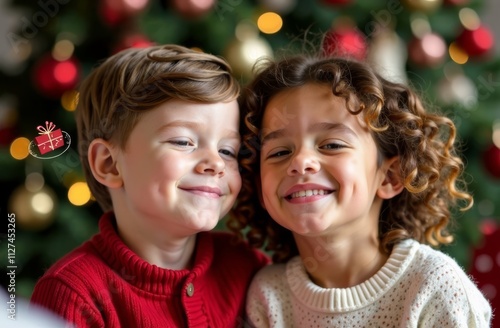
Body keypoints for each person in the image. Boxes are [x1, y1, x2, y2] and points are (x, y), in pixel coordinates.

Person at [231, 53, 492, 327]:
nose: (300, 162)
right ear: (261, 187)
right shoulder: (267, 294)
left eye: (331, 145)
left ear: (390, 177)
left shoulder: (435, 286)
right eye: (280, 151)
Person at [30, 44, 269, 327]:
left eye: (228, 151)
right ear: (109, 163)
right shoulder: (72, 294)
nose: (215, 163)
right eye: (183, 142)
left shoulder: (247, 267)